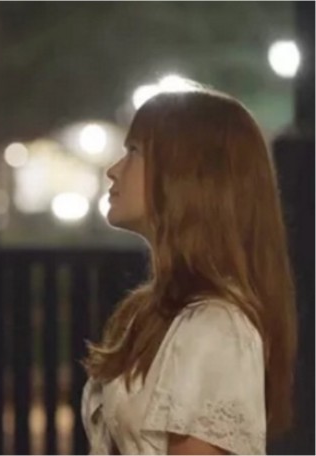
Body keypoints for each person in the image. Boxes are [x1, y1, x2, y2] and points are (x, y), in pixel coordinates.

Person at [82, 87, 297, 455]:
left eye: (134, 151)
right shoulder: (148, 313)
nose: (113, 170)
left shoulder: (217, 328)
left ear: (187, 176)